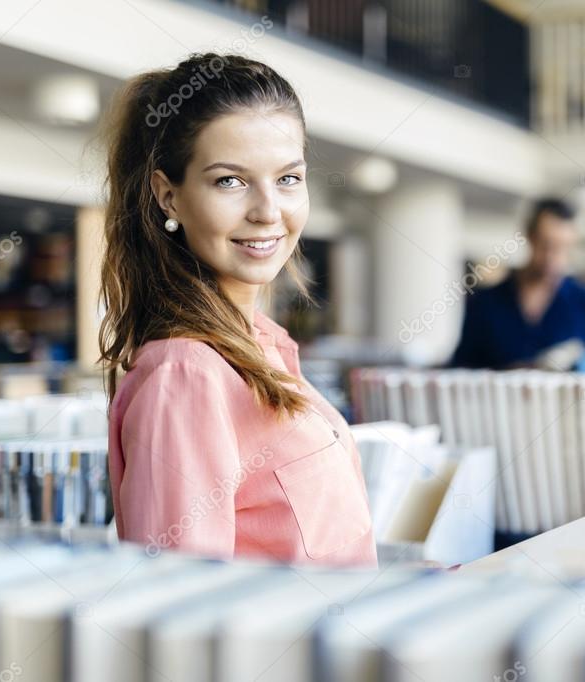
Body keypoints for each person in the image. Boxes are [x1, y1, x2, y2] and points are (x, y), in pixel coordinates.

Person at [99, 53, 377, 567]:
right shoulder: (183, 375)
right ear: (169, 196)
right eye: (230, 180)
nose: (269, 211)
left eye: (289, 178)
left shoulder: (263, 344)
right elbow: (182, 613)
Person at [450, 198, 585, 371]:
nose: (551, 257)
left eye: (562, 247)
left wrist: (582, 366)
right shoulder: (485, 303)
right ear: (529, 236)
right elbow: (461, 369)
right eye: (546, 245)